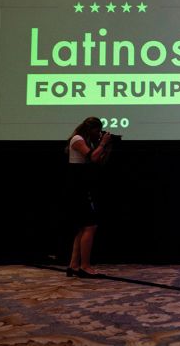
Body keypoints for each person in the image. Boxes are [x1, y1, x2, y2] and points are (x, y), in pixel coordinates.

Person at [65, 117, 112, 278]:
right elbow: (92, 157)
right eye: (97, 131)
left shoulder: (87, 141)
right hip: (78, 187)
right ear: (91, 129)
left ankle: (73, 265)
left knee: (82, 227)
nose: (99, 134)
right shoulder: (78, 139)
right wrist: (103, 143)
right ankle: (85, 266)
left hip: (83, 185)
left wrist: (107, 147)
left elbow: (99, 161)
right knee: (90, 226)